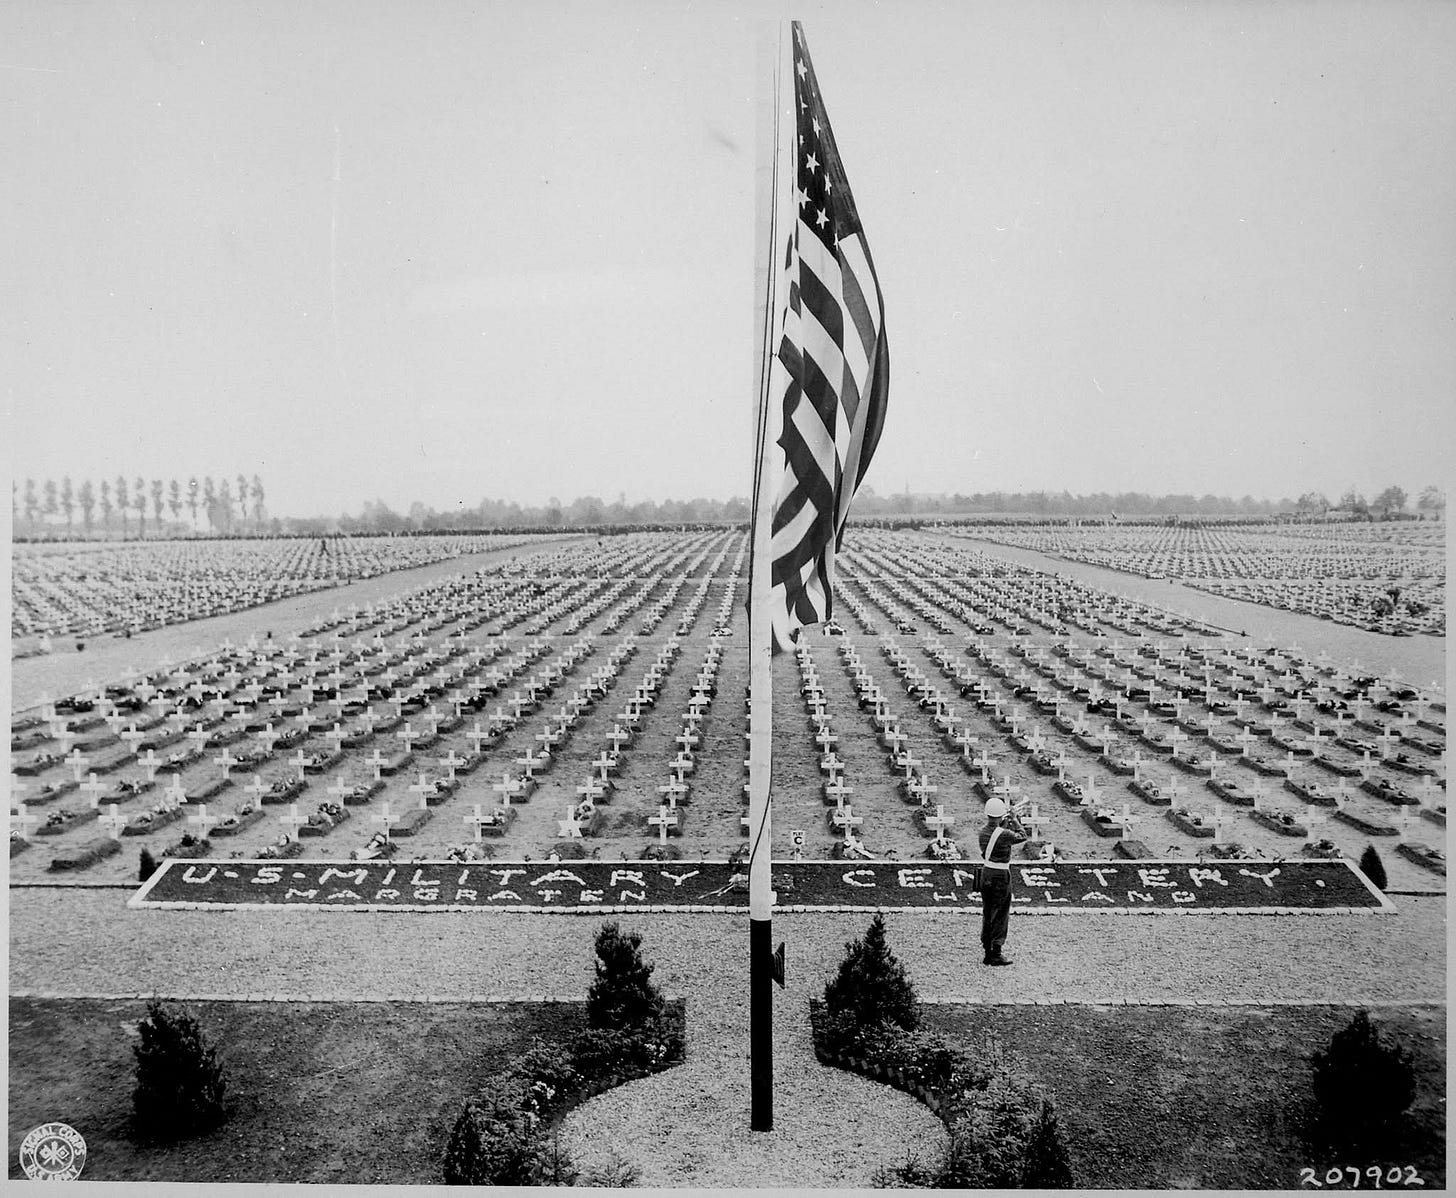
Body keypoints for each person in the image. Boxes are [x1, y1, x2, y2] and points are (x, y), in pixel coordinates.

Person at [978, 796, 1028, 966]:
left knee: (988, 912)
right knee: (1000, 913)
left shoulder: (983, 832)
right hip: (1000, 875)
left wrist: (1005, 823)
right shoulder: (1004, 833)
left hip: (986, 873)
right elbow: (1022, 836)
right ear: (1001, 815)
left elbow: (993, 842)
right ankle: (996, 953)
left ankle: (987, 950)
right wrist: (1014, 819)